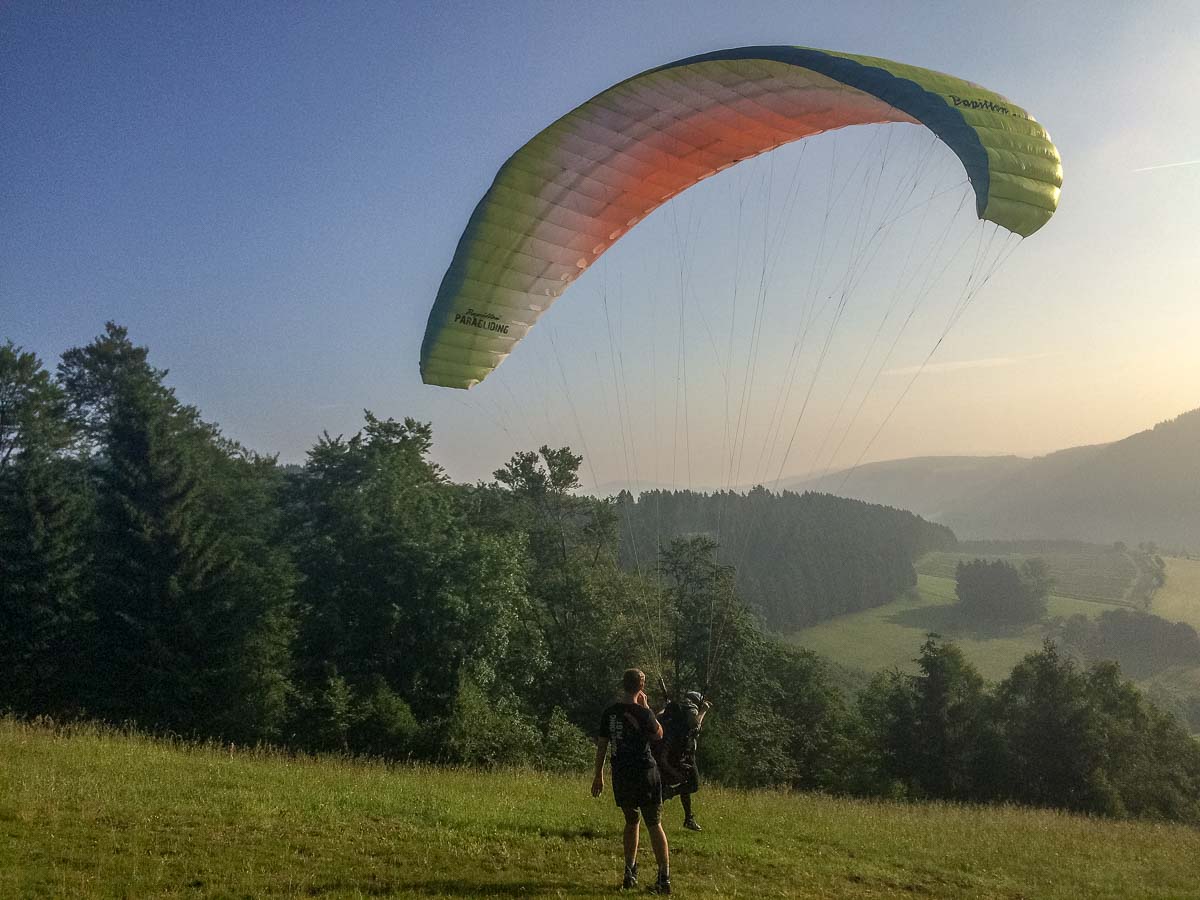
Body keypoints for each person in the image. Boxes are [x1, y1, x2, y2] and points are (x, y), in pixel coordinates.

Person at [592, 668, 671, 894]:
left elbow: (602, 745)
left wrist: (598, 775)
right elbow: (659, 734)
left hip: (622, 774)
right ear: (641, 687)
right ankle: (664, 878)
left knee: (631, 820)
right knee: (654, 823)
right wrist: (647, 708)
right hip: (645, 773)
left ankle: (630, 872)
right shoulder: (643, 713)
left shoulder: (610, 713)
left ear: (623, 684)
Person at [659, 690, 711, 831]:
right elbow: (695, 724)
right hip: (686, 754)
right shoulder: (691, 708)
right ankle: (669, 793)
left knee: (685, 783)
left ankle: (688, 818)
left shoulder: (676, 710)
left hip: (674, 752)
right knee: (693, 784)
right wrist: (704, 711)